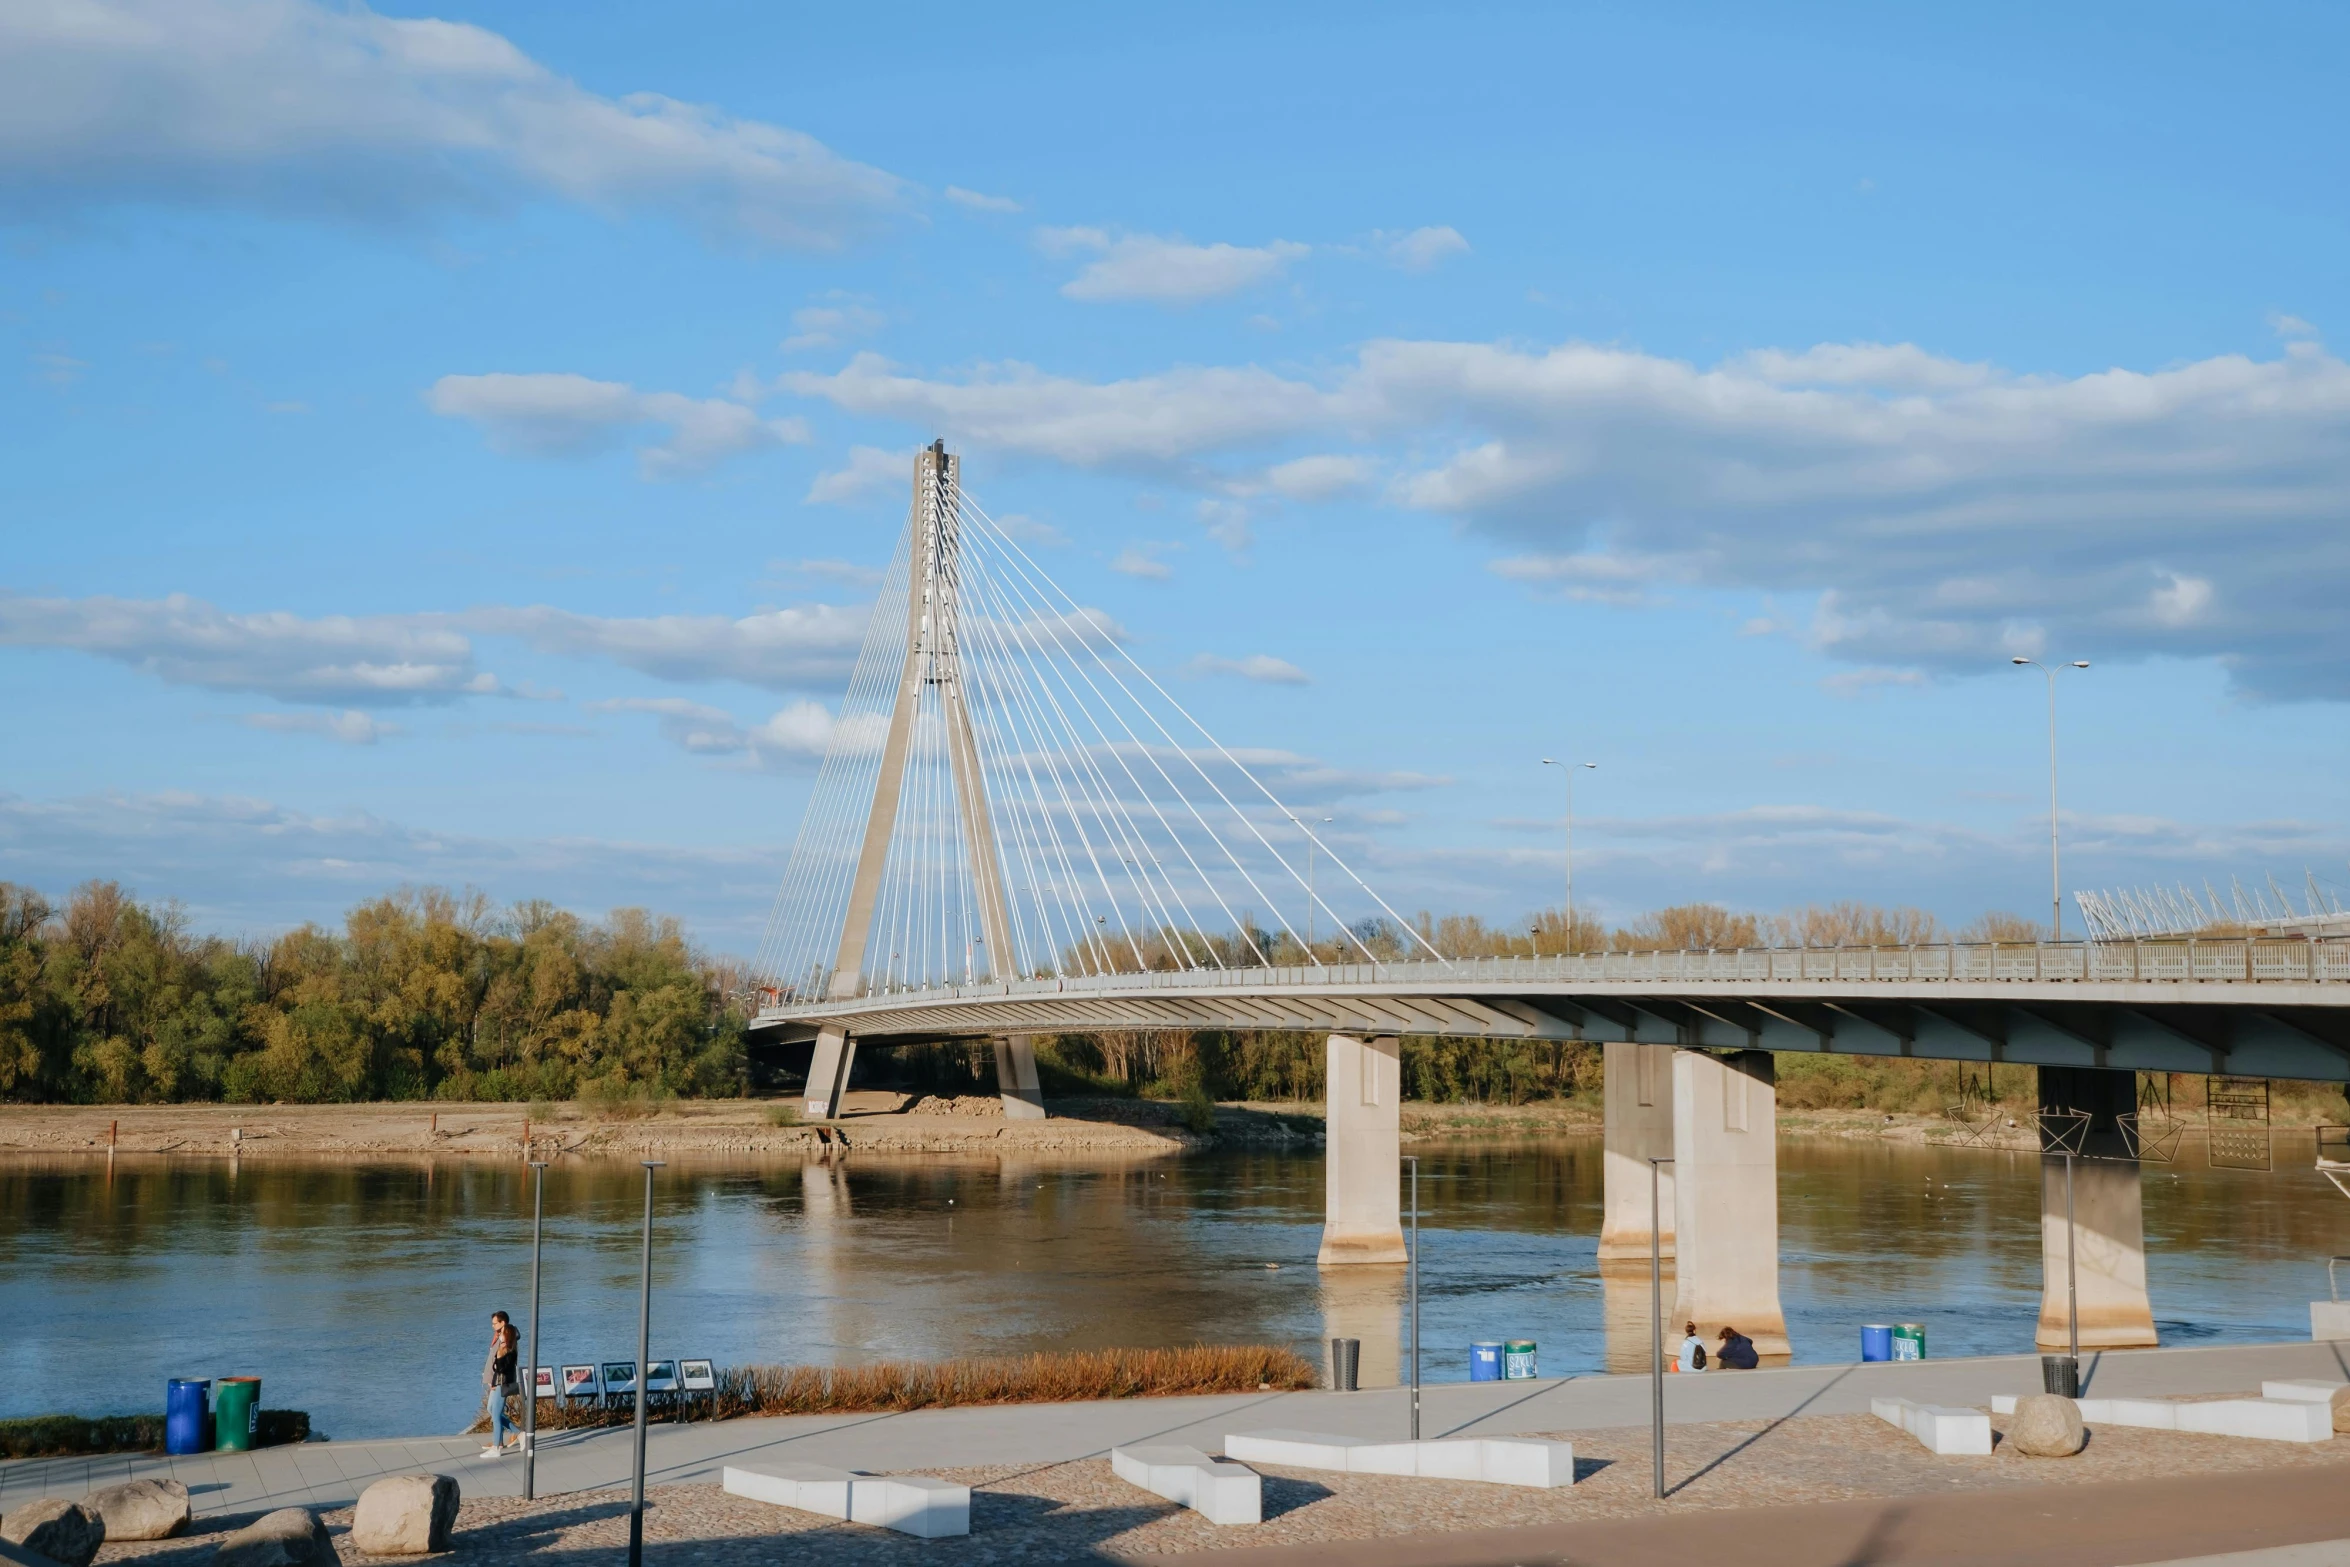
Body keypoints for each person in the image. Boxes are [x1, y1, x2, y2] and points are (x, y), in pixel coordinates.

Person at [481, 1310, 520, 1457]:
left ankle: (497, 1446)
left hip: (501, 1381)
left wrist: (501, 1348)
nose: (492, 1326)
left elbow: (502, 1364)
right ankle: (516, 1434)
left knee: (496, 1414)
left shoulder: (508, 1337)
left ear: (503, 1323)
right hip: (495, 1379)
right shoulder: (499, 1336)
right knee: (492, 1410)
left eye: (495, 1323)